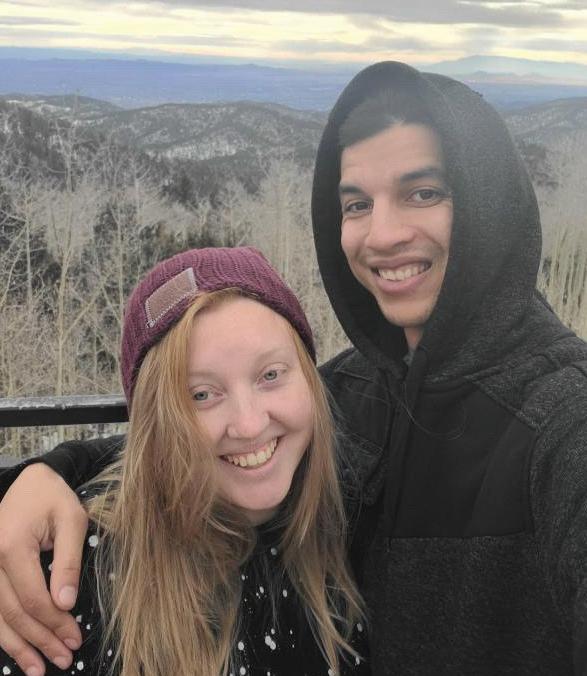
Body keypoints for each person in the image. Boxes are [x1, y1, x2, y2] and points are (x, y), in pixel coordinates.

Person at [1, 59, 587, 675]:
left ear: (491, 203)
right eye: (357, 204)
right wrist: (46, 474)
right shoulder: (353, 390)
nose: (382, 234)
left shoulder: (563, 421)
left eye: (424, 193)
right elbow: (192, 442)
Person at [0, 246, 368, 676]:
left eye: (270, 375)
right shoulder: (82, 575)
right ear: (157, 423)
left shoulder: (360, 504)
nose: (249, 424)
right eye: (201, 395)